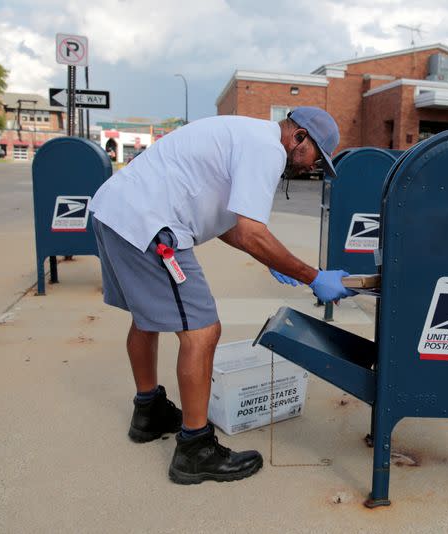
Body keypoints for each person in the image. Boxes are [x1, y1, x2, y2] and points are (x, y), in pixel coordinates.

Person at [88, 107, 354, 485]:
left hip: (115, 212)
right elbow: (249, 231)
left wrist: (268, 259)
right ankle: (195, 451)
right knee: (202, 331)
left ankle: (148, 412)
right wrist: (313, 277)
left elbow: (229, 225)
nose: (313, 167)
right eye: (316, 158)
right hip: (151, 226)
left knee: (146, 317)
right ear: (300, 139)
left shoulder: (247, 135)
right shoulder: (267, 149)